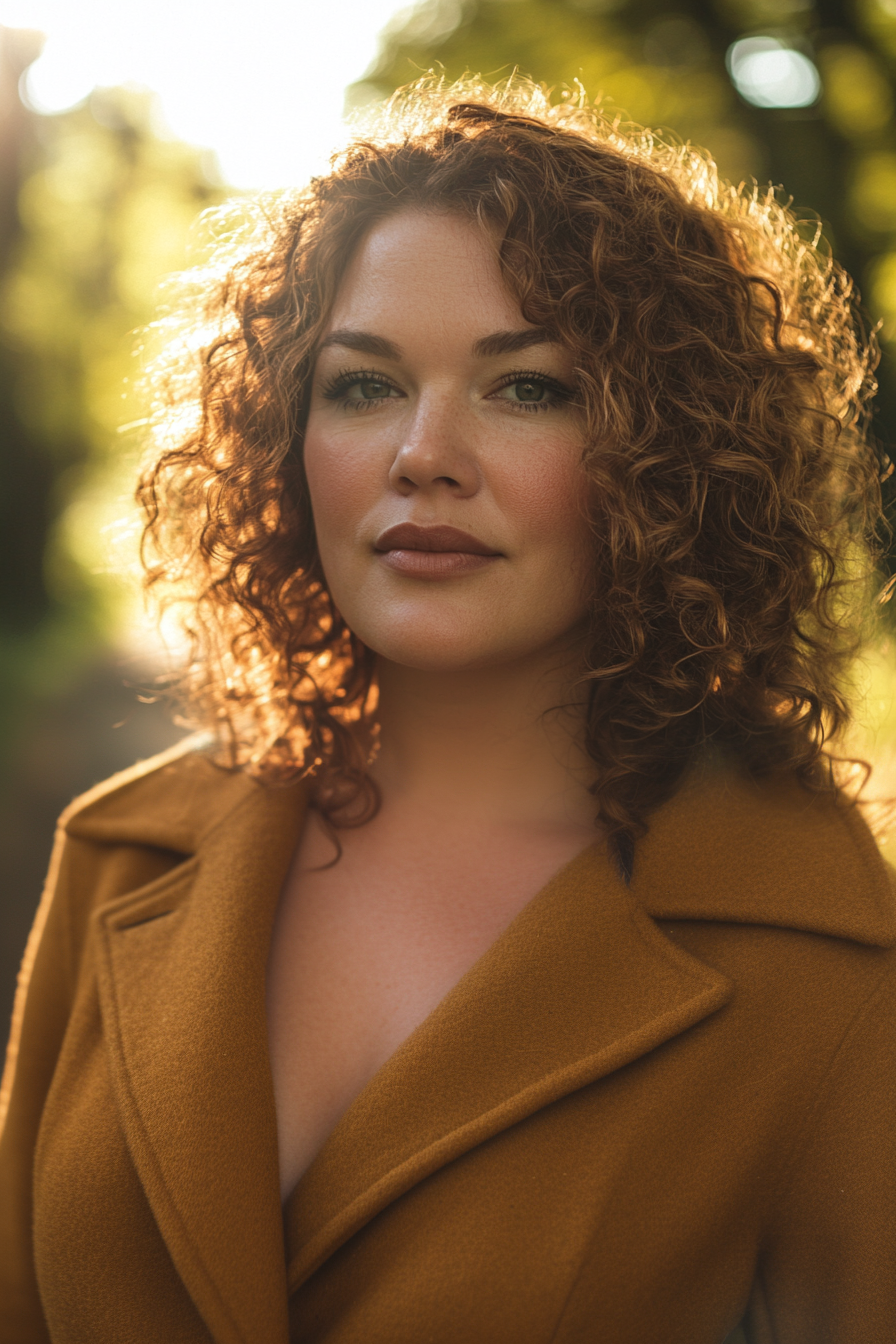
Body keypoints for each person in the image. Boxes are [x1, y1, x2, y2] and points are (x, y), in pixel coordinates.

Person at [0, 76, 893, 1344]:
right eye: (362, 385)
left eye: (526, 388)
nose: (423, 451)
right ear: (283, 438)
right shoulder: (124, 848)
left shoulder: (816, 948)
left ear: (668, 454)